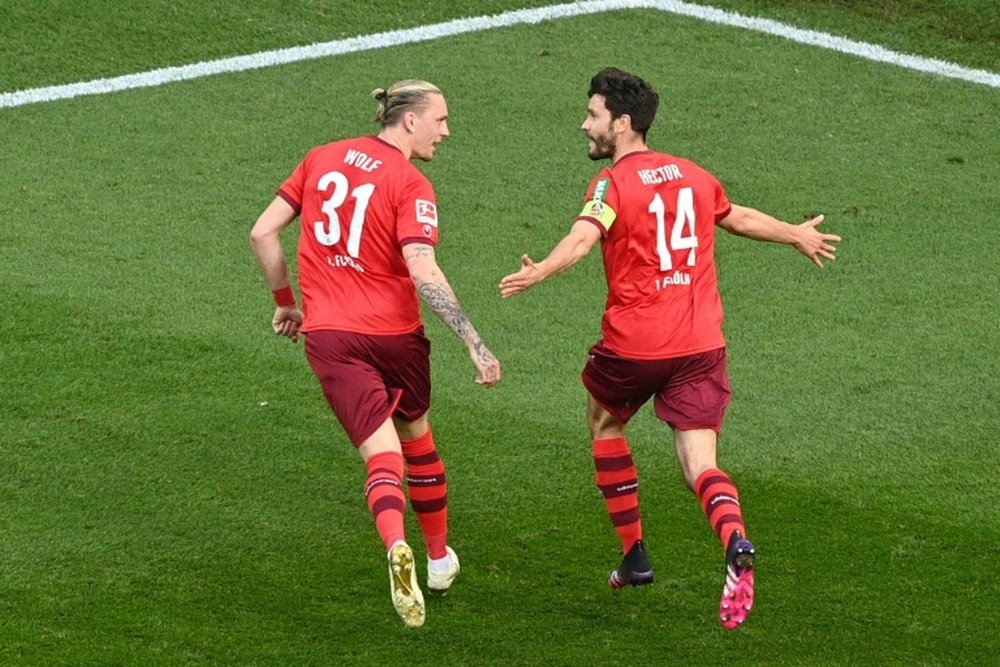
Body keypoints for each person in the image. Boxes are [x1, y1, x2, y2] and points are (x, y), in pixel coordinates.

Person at [499, 67, 839, 629]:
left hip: (637, 344)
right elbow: (739, 218)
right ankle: (734, 541)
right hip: (701, 345)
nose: (586, 125)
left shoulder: (611, 184)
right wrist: (797, 233)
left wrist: (541, 273)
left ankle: (634, 555)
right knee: (699, 464)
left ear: (622, 123)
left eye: (593, 115)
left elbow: (584, 239)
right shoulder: (693, 175)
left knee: (604, 424)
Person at [251, 79, 501, 628]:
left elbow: (262, 232)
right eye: (441, 119)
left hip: (332, 336)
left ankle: (395, 545)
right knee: (417, 436)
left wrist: (286, 303)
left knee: (380, 455)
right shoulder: (411, 183)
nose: (447, 130)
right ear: (409, 121)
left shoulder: (321, 158)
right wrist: (473, 340)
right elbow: (422, 268)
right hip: (396, 336)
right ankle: (437, 560)